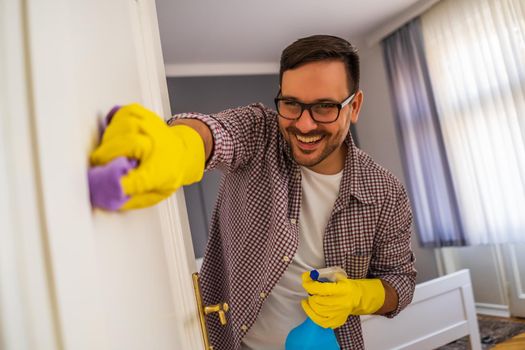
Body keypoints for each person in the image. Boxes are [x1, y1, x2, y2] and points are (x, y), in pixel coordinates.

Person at [90, 34, 416, 350]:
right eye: (291, 104)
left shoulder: (385, 193)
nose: (303, 125)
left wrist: (358, 296)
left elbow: (400, 283)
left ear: (354, 106)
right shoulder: (259, 131)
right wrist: (177, 147)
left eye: (324, 107)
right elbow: (216, 134)